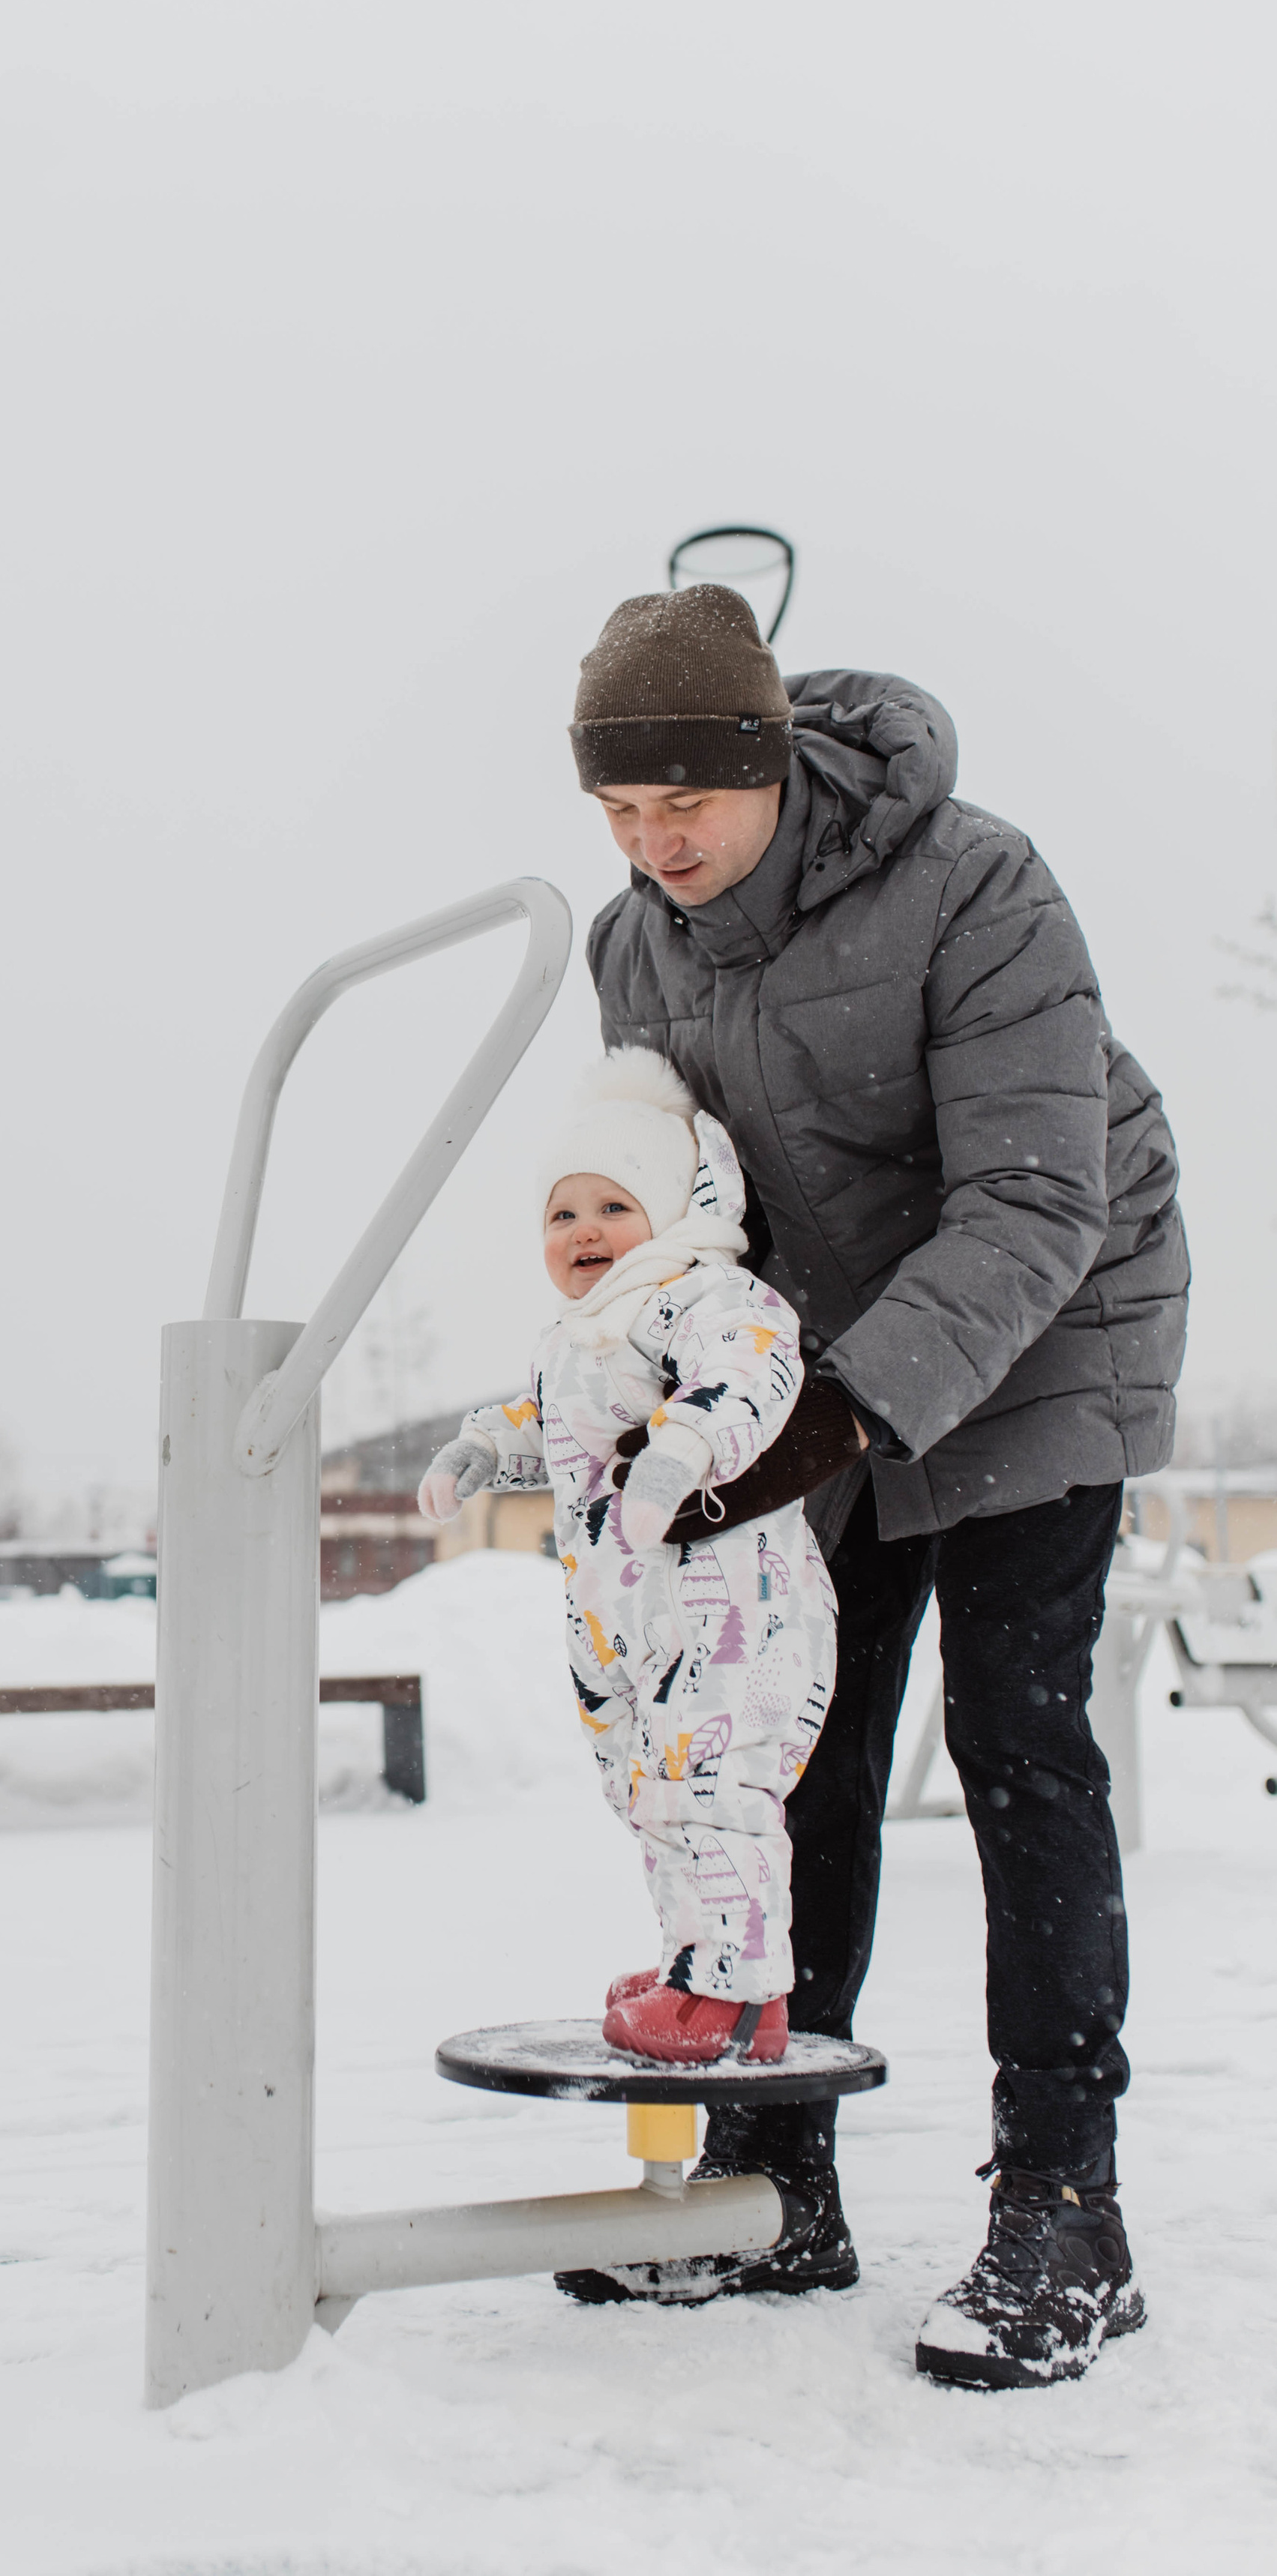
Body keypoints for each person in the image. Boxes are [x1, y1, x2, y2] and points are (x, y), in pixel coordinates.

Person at [559, 581, 1182, 2389]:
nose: (653, 848)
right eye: (616, 815)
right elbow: (677, 1202)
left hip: (1051, 1314)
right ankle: (774, 2181)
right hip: (813, 1349)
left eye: (683, 805)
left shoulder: (977, 884)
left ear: (765, 766)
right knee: (786, 1743)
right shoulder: (629, 945)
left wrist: (835, 1418)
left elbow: (1034, 1202)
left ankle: (1065, 2204)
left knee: (1015, 1740)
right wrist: (642, 1383)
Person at [419, 1049, 839, 2068]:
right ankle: (690, 1962)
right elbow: (547, 1420)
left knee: (717, 1790)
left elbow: (750, 1374)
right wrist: (481, 1449)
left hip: (728, 1614)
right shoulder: (578, 1336)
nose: (585, 1233)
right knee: (650, 1792)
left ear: (672, 1209)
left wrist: (685, 1447)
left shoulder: (700, 1296)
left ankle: (742, 1997)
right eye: (562, 1217)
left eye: (613, 1205)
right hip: (626, 1621)